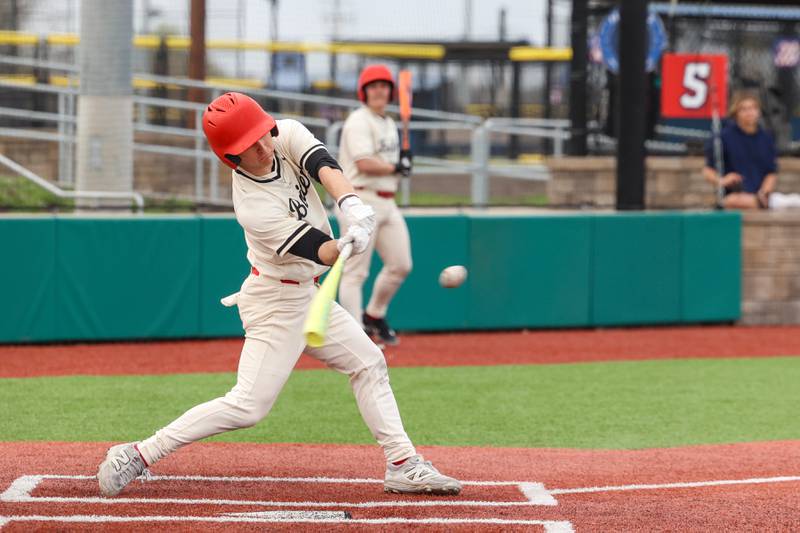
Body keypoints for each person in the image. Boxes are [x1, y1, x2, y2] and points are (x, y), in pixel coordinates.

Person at [96, 92, 461, 497]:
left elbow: (325, 166)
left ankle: (402, 463)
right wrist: (343, 245)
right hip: (274, 301)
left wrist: (353, 205)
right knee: (248, 406)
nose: (263, 147)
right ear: (230, 157)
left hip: (308, 292)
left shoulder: (284, 132)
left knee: (369, 362)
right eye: (249, 146)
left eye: (261, 135)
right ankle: (139, 453)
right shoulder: (252, 206)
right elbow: (317, 248)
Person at [336, 64, 413, 346]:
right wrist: (397, 165)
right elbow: (364, 162)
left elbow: (388, 165)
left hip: (387, 202)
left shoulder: (390, 123)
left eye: (384, 86)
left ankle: (374, 314)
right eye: (373, 86)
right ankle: (355, 336)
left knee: (401, 265)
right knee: (355, 273)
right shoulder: (359, 120)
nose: (379, 90)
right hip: (360, 199)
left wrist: (400, 165)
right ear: (364, 92)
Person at [703, 91, 777, 209]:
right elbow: (708, 170)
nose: (749, 113)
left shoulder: (766, 138)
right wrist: (722, 180)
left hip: (760, 197)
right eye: (744, 109)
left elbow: (771, 173)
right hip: (733, 196)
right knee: (734, 200)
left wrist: (764, 193)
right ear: (736, 113)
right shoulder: (723, 137)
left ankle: (757, 203)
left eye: (753, 108)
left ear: (759, 111)